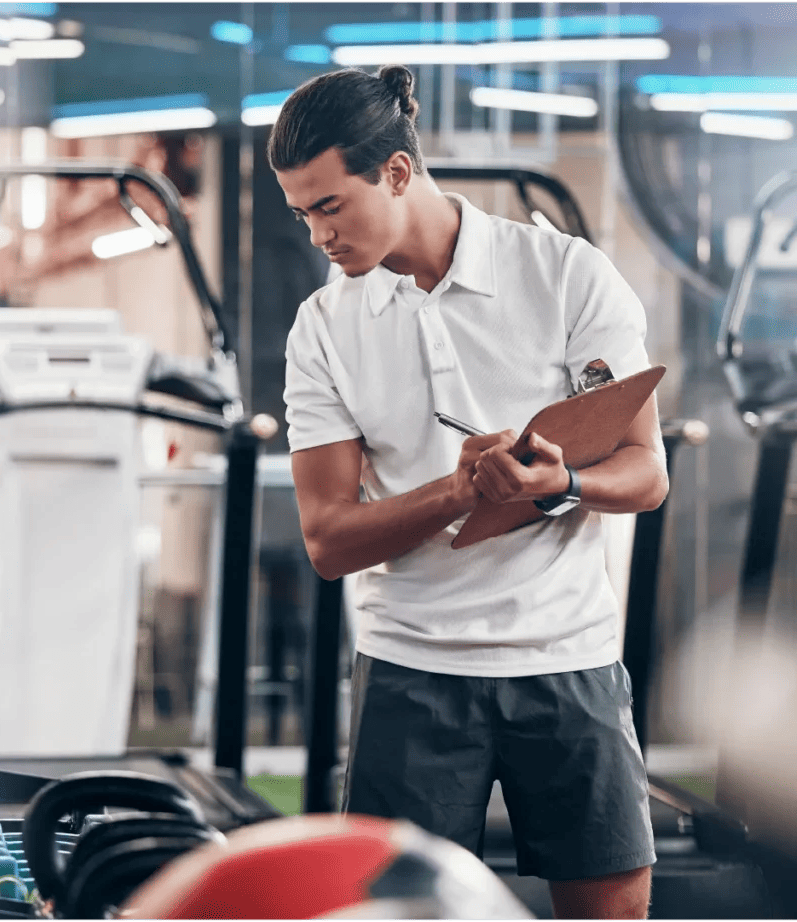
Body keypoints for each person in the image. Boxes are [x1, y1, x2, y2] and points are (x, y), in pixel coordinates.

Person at [268, 64, 668, 922]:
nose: (317, 236)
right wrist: (455, 492)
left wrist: (563, 485)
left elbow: (646, 473)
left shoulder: (567, 274)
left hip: (567, 660)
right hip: (412, 670)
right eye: (302, 214)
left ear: (399, 172)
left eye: (330, 207)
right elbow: (329, 540)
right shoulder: (324, 328)